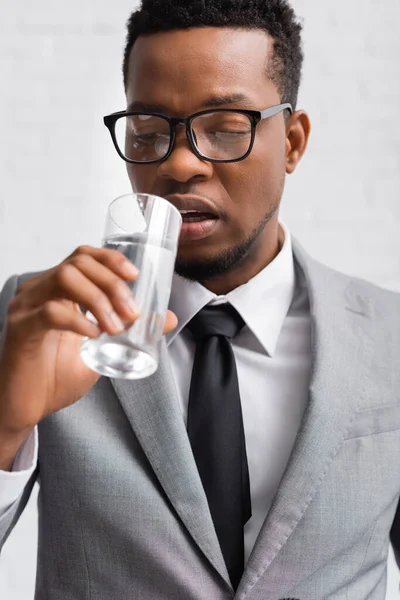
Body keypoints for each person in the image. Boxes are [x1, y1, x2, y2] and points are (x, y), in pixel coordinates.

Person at [0, 0, 399, 598]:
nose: (181, 163)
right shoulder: (42, 319)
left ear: (291, 142)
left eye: (225, 127)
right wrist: (4, 426)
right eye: (148, 130)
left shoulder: (390, 335)